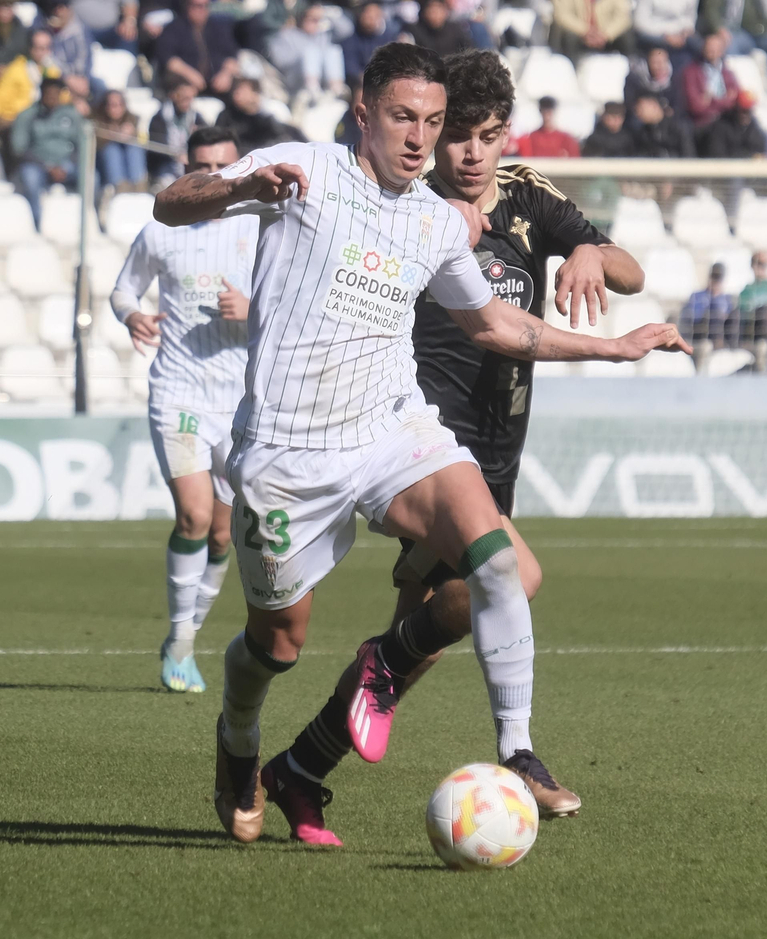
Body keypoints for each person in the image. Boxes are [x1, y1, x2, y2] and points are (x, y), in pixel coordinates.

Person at [149, 42, 686, 846]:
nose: (421, 138)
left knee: (500, 563)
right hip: (288, 455)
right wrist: (235, 185)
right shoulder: (303, 170)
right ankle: (240, 739)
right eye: (406, 117)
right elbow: (171, 204)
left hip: (392, 430)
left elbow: (497, 324)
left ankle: (519, 751)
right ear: (363, 109)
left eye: (433, 123)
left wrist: (614, 347)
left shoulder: (435, 220)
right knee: (277, 643)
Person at [271, 48, 641, 837]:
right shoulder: (411, 202)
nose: (471, 153)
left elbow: (629, 271)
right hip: (421, 449)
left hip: (498, 448)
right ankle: (518, 754)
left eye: (488, 135)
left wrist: (587, 250)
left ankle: (299, 769)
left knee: (421, 643)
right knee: (509, 579)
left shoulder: (528, 197)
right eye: (456, 136)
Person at [110, 127, 251, 693]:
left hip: (240, 400)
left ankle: (185, 638)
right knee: (194, 517)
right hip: (179, 392)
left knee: (223, 535)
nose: (210, 177)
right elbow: (124, 291)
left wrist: (253, 308)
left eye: (221, 166)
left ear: (238, 168)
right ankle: (181, 642)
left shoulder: (263, 229)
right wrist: (132, 317)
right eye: (200, 166)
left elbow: (299, 305)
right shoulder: (161, 232)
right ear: (185, 170)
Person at [11, 75, 85, 225]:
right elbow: (19, 148)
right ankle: (37, 223)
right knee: (30, 178)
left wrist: (66, 165)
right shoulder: (28, 115)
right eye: (48, 93)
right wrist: (47, 167)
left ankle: (85, 222)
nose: (52, 97)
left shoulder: (71, 115)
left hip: (66, 166)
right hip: (38, 166)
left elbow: (83, 146)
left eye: (55, 93)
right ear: (41, 93)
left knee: (91, 178)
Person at [153, 0, 240, 96]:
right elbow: (168, 59)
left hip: (216, 83)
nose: (201, 9)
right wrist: (191, 74)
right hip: (185, 81)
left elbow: (231, 54)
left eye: (205, 5)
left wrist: (226, 74)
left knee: (241, 87)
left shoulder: (217, 28)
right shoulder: (173, 28)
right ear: (188, 6)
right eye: (197, 5)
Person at [148, 79, 205, 184]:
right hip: (166, 165)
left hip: (190, 164)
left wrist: (197, 136)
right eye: (183, 97)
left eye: (189, 98)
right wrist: (176, 154)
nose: (186, 102)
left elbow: (206, 140)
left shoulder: (196, 118)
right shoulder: (159, 118)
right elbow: (156, 146)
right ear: (173, 95)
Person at [681, 28, 739, 129]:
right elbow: (696, 107)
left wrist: (711, 99)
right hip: (703, 123)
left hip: (726, 121)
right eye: (709, 47)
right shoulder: (691, 72)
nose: (711, 50)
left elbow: (736, 99)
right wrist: (724, 99)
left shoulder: (727, 73)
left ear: (721, 51)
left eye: (715, 48)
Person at [679, 262, 735, 345]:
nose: (716, 281)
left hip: (719, 332)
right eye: (714, 276)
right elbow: (692, 316)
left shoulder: (727, 299)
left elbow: (728, 317)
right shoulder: (697, 296)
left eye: (718, 278)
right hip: (700, 331)